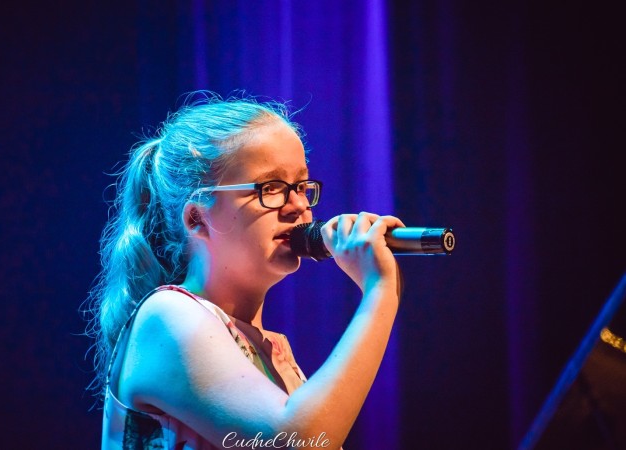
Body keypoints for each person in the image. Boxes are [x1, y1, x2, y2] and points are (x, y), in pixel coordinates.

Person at [87, 92, 404, 449]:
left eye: (301, 186)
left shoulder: (266, 349)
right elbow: (299, 441)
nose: (298, 206)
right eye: (271, 188)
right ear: (197, 218)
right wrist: (379, 292)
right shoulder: (167, 315)